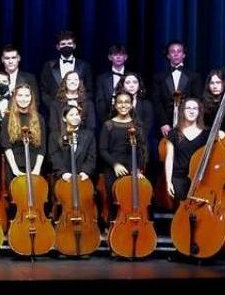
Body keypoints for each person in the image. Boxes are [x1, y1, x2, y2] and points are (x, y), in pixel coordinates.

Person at [99, 92, 148, 221]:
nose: (123, 105)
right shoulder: (108, 125)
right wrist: (115, 164)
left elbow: (141, 150)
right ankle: (113, 227)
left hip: (132, 167)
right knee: (113, 199)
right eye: (120, 102)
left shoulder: (137, 125)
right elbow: (103, 150)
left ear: (131, 105)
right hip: (112, 168)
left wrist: (138, 169)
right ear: (115, 106)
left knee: (132, 199)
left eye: (127, 102)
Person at [164, 98, 208, 201]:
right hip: (179, 178)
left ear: (199, 112)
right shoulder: (174, 133)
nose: (191, 111)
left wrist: (221, 134)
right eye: (188, 108)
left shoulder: (207, 134)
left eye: (195, 108)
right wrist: (168, 182)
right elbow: (169, 159)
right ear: (182, 111)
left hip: (200, 179)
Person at [40, 31, 94, 111]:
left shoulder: (85, 66)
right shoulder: (48, 66)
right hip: (55, 113)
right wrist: (54, 107)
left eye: (69, 43)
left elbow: (90, 90)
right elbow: (43, 91)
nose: (66, 46)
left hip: (79, 111)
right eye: (63, 44)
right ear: (58, 47)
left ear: (74, 46)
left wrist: (79, 105)